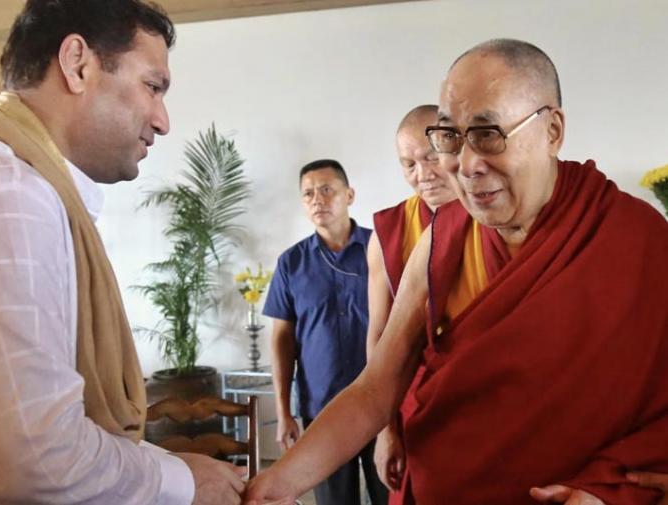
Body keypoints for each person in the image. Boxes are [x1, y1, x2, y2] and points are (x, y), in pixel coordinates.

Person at [246, 38, 668, 505]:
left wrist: (609, 492)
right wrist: (277, 483)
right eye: (449, 137)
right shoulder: (443, 239)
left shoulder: (635, 237)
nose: (465, 166)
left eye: (488, 134)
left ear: (552, 130)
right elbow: (375, 390)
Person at [0, 1, 244, 504]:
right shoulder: (4, 197)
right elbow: (38, 459)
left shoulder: (18, 188)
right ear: (77, 64)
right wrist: (181, 483)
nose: (162, 121)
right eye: (152, 86)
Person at [263, 159, 388, 505]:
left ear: (349, 195)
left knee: (391, 495)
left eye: (326, 190)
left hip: (381, 402)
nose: (317, 199)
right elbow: (282, 341)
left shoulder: (381, 249)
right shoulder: (291, 263)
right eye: (308, 194)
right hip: (322, 408)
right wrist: (284, 412)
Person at [366, 104, 456, 504]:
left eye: (431, 157)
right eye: (409, 164)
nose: (423, 174)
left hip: (488, 402)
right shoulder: (389, 232)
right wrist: (385, 429)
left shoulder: (498, 219)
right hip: (413, 404)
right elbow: (379, 336)